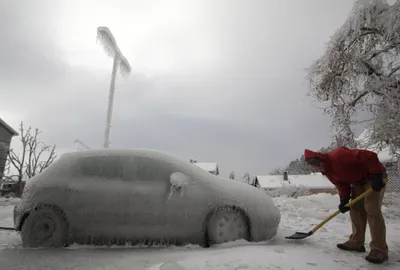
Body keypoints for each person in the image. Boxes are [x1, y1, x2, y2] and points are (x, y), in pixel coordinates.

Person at [304, 147, 388, 264]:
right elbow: (341, 184)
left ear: (321, 158)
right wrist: (344, 200)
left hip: (374, 177)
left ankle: (379, 249)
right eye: (312, 165)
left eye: (316, 162)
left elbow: (370, 156)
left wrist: (376, 174)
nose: (317, 166)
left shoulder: (339, 155)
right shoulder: (328, 172)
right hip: (358, 182)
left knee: (371, 208)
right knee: (355, 209)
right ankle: (356, 242)